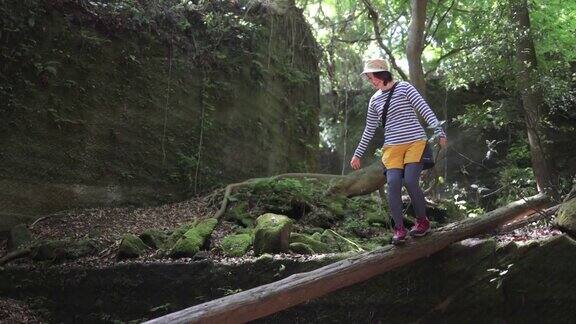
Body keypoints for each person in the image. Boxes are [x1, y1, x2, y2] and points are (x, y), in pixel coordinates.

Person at [350, 58, 447, 244]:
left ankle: (422, 222)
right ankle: (400, 230)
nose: (371, 82)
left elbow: (424, 109)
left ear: (382, 74)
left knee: (410, 180)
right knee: (393, 183)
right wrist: (357, 153)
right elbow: (369, 129)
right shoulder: (374, 100)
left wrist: (439, 131)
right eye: (369, 79)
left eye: (372, 77)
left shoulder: (405, 88)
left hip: (414, 142)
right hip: (392, 147)